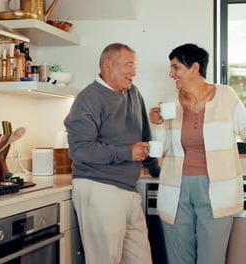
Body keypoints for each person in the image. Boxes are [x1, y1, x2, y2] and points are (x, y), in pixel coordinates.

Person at [148, 43, 246, 264]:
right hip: (176, 188)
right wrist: (157, 125)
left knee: (211, 258)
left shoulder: (226, 96)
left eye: (176, 68)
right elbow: (162, 148)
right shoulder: (169, 101)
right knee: (178, 258)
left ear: (194, 67)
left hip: (217, 188)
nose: (171, 74)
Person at [64, 43, 160, 264]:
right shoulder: (89, 98)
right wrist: (127, 152)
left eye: (134, 66)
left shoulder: (133, 93)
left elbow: (145, 135)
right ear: (108, 65)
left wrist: (156, 170)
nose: (133, 71)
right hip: (99, 189)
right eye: (128, 65)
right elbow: (80, 149)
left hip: (128, 190)